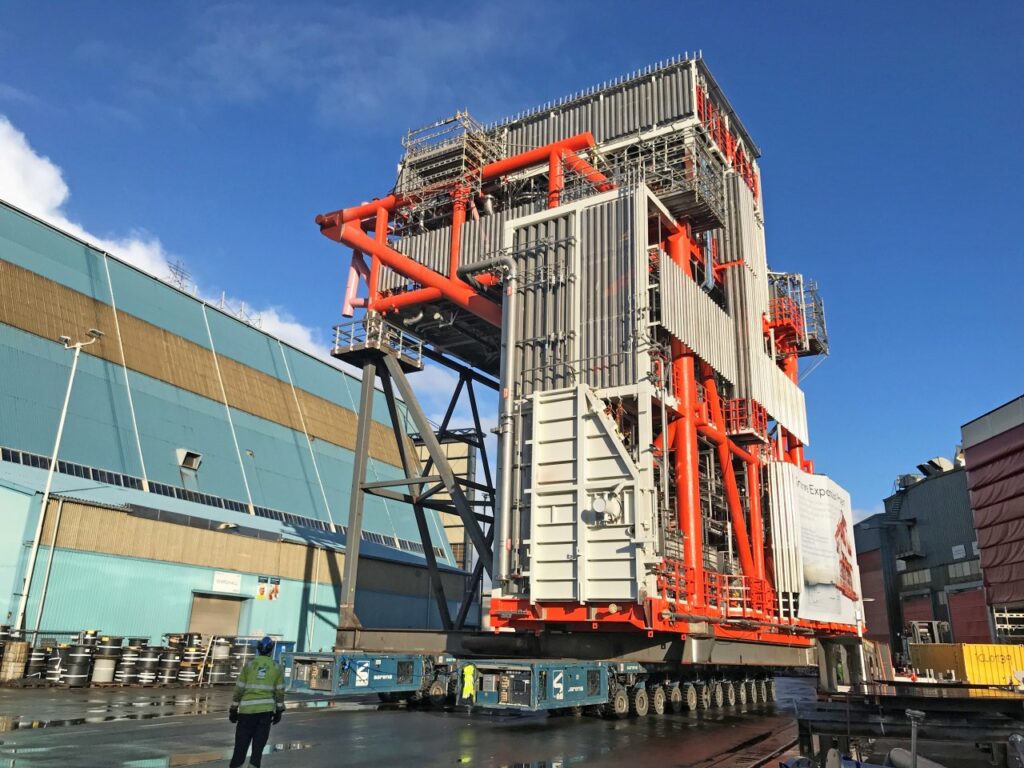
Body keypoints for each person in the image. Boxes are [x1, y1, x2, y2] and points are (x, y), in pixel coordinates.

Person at [228, 636, 285, 768]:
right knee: (257, 752)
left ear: (258, 650)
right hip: (265, 714)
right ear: (271, 651)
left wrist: (233, 709)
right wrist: (279, 710)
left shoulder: (249, 666)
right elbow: (279, 692)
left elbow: (239, 690)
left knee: (239, 750)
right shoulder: (276, 668)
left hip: (246, 714)